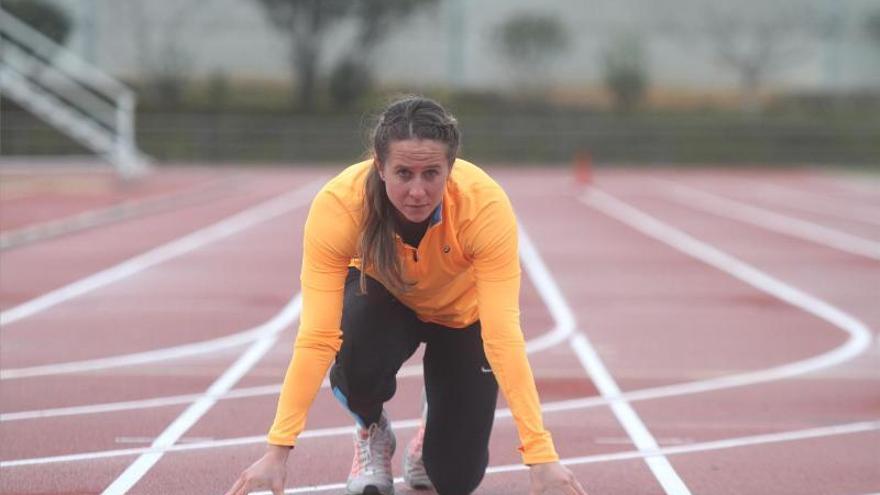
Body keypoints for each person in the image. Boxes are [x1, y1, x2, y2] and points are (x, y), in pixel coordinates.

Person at [226, 96, 587, 495]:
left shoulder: (483, 205)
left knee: (455, 479)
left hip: (461, 318)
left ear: (451, 169)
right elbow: (316, 337)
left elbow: (502, 336)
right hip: (387, 304)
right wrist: (278, 451)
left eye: (432, 173)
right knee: (355, 344)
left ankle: (432, 426)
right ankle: (372, 431)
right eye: (403, 173)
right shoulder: (340, 206)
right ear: (379, 167)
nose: (417, 191)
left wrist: (541, 456)